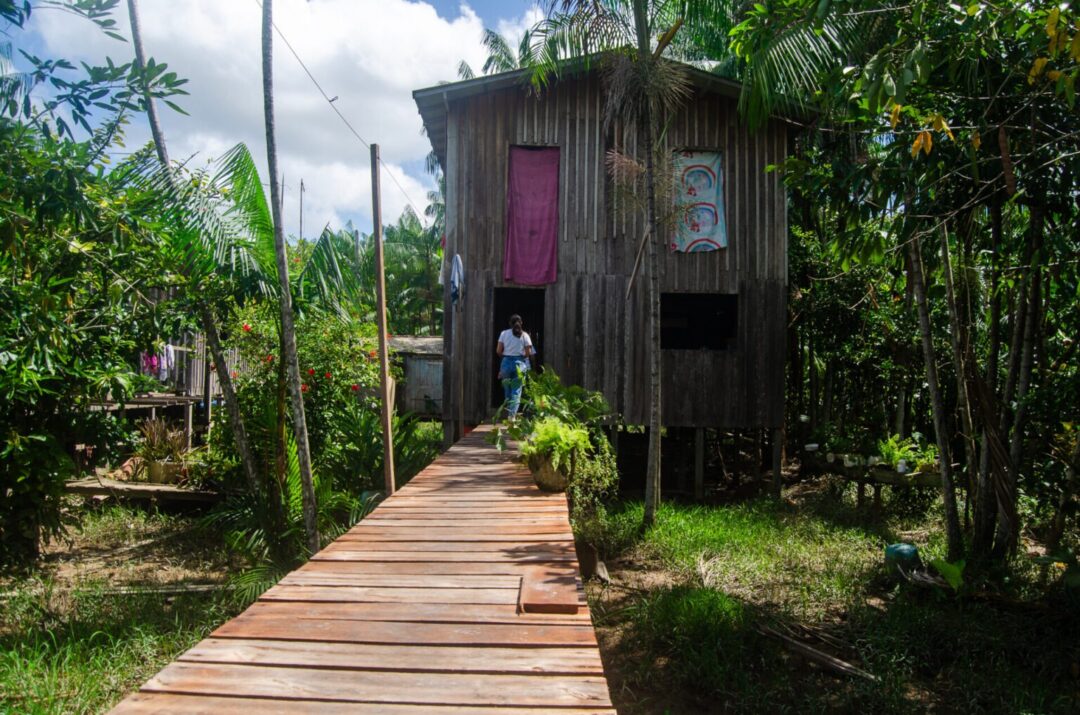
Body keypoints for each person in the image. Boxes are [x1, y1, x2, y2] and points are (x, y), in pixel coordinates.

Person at [496, 314, 533, 420]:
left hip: (506, 363)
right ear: (521, 323)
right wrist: (520, 357)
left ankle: (509, 411)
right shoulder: (525, 335)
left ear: (510, 323)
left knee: (507, 390)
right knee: (516, 390)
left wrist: (505, 357)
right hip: (519, 364)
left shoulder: (503, 334)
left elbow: (498, 351)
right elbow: (528, 353)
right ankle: (511, 416)